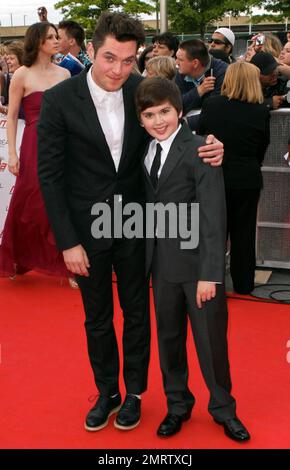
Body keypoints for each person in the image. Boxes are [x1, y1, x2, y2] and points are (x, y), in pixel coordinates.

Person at [37, 12, 224, 433]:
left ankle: (135, 393)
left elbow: (177, 131)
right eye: (108, 58)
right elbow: (50, 175)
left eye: (127, 60)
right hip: (88, 231)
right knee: (97, 316)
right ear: (89, 50)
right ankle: (107, 392)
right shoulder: (60, 99)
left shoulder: (142, 90)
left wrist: (212, 145)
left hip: (139, 226)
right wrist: (67, 240)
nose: (118, 70)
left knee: (138, 313)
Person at [135, 76, 250, 441]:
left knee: (210, 343)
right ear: (140, 120)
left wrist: (210, 273)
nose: (158, 121)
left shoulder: (201, 149)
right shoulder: (142, 151)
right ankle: (177, 405)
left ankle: (223, 408)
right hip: (161, 267)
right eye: (150, 114)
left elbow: (214, 217)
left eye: (165, 112)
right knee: (169, 341)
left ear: (180, 110)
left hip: (199, 269)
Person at [0, 22, 71, 278]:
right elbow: (12, 117)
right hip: (32, 144)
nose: (56, 40)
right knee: (28, 200)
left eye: (56, 36)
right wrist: (12, 153)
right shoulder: (21, 74)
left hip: (62, 145)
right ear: (38, 41)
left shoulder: (64, 74)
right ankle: (18, 257)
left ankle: (66, 263)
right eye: (50, 37)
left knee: (61, 202)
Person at [198, 62, 270, 294]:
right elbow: (262, 145)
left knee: (215, 232)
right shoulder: (260, 110)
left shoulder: (211, 105)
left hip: (215, 175)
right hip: (247, 177)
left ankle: (214, 284)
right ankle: (244, 285)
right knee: (244, 233)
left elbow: (201, 139)